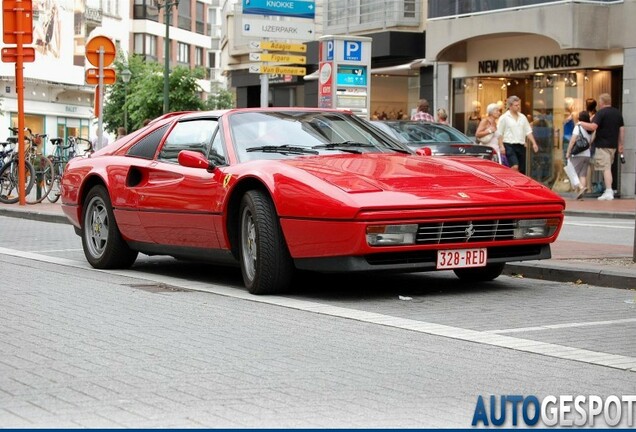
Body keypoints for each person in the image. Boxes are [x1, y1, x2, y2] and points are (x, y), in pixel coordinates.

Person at [579, 93, 625, 201]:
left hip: (602, 145)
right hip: (613, 145)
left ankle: (609, 191)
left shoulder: (601, 113)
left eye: (599, 102)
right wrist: (620, 144)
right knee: (607, 167)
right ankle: (608, 190)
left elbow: (593, 127)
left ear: (602, 102)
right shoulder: (618, 113)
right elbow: (622, 130)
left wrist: (581, 123)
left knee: (606, 168)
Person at [496, 95, 539, 175]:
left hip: (521, 145)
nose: (518, 107)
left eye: (519, 105)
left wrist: (534, 143)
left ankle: (518, 184)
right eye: (516, 105)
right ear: (510, 106)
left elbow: (528, 131)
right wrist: (501, 146)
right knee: (514, 166)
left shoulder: (522, 117)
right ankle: (512, 182)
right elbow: (499, 133)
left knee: (522, 169)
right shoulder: (504, 117)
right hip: (509, 145)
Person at [565, 111, 592, 200]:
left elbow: (573, 140)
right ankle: (580, 194)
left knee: (572, 172)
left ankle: (580, 187)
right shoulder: (590, 128)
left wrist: (568, 152)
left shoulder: (578, 127)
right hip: (587, 154)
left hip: (578, 154)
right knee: (582, 175)